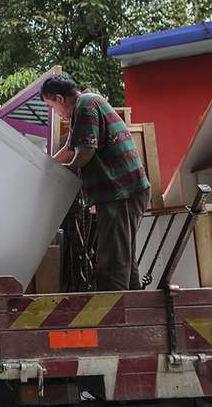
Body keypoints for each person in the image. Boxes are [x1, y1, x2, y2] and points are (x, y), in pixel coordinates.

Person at [41, 74, 151, 290]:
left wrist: (64, 172)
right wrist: (46, 166)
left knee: (113, 259)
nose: (55, 112)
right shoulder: (89, 102)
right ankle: (134, 307)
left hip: (121, 192)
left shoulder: (85, 105)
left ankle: (114, 314)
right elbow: (70, 149)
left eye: (51, 106)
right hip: (127, 189)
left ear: (59, 98)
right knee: (122, 255)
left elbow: (85, 153)